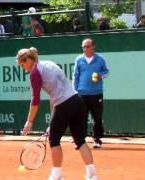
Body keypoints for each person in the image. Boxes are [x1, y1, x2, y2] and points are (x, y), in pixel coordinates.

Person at [17, 47, 98, 180]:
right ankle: (92, 175)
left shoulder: (35, 73)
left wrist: (29, 121)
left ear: (30, 60)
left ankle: (56, 176)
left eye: (23, 64)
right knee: (80, 141)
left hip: (64, 105)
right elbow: (53, 95)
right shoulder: (49, 63)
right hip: (77, 101)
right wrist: (53, 120)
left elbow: (35, 100)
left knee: (54, 141)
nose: (23, 67)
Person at [73, 38, 110, 149]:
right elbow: (75, 76)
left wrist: (100, 76)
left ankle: (97, 140)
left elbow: (107, 72)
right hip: (82, 94)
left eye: (87, 46)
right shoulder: (79, 59)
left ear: (93, 47)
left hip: (96, 94)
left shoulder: (100, 59)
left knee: (97, 118)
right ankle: (81, 141)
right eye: (83, 47)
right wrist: (74, 91)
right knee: (81, 119)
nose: (85, 49)